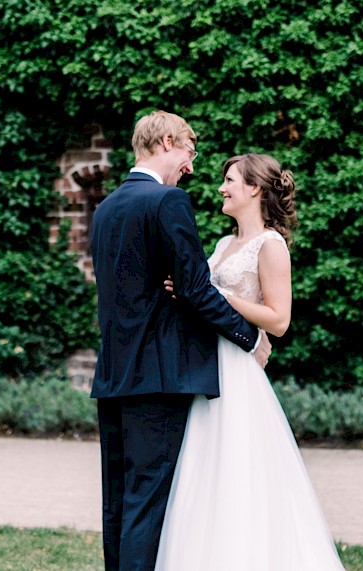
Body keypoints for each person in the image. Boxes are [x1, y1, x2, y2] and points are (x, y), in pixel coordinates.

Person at [90, 111, 272, 571]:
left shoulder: (106, 208)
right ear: (168, 142)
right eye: (190, 151)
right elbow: (192, 288)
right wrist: (249, 339)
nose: (191, 165)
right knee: (147, 503)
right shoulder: (168, 201)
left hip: (112, 377)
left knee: (117, 502)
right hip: (159, 379)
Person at [155, 153, 346, 571]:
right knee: (206, 471)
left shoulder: (271, 245)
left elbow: (279, 320)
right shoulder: (224, 244)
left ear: (255, 189)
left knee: (240, 468)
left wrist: (219, 297)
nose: (221, 188)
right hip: (208, 367)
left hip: (238, 373)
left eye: (229, 180)